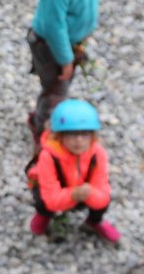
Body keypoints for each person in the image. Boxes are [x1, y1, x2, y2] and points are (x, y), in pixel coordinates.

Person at [27, 0, 105, 144]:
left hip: (72, 42)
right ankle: (43, 132)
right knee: (57, 89)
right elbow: (54, 27)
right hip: (51, 46)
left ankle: (39, 118)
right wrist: (65, 60)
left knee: (57, 87)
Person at [26, 98, 119, 243]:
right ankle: (43, 215)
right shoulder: (48, 156)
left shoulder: (97, 154)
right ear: (59, 136)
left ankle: (94, 222)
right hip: (58, 192)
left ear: (92, 136)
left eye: (85, 134)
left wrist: (90, 193)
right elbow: (51, 199)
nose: (79, 140)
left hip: (82, 191)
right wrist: (73, 195)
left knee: (104, 201)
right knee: (42, 200)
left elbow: (103, 195)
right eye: (71, 134)